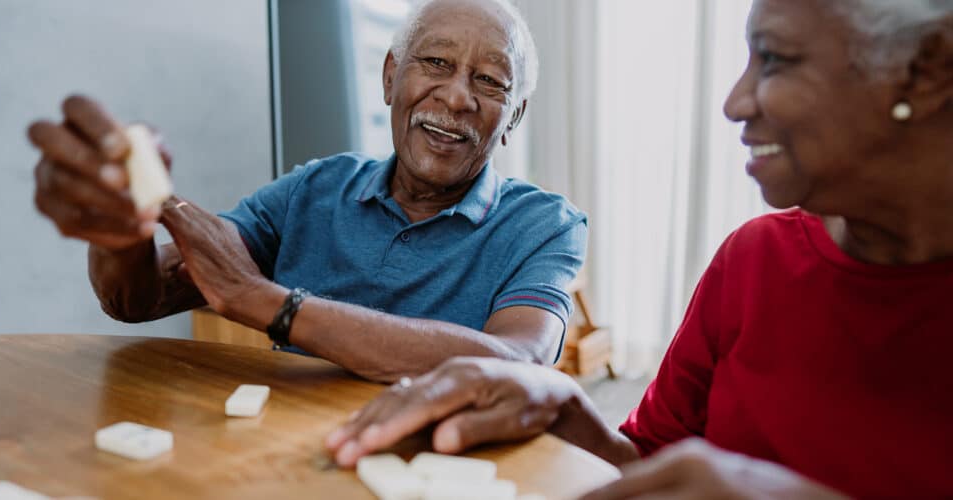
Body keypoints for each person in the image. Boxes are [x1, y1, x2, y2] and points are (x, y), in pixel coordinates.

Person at [325, 0, 953, 498]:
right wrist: (569, 407)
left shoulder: (541, 221)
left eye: (777, 58)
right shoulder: (753, 261)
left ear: (927, 68)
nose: (734, 101)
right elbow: (647, 465)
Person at [25, 0, 587, 383]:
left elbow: (519, 363)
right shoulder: (315, 188)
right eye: (436, 62)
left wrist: (268, 303)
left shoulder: (546, 224)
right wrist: (125, 231)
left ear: (514, 115)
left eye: (490, 81)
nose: (457, 97)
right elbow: (139, 298)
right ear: (391, 75)